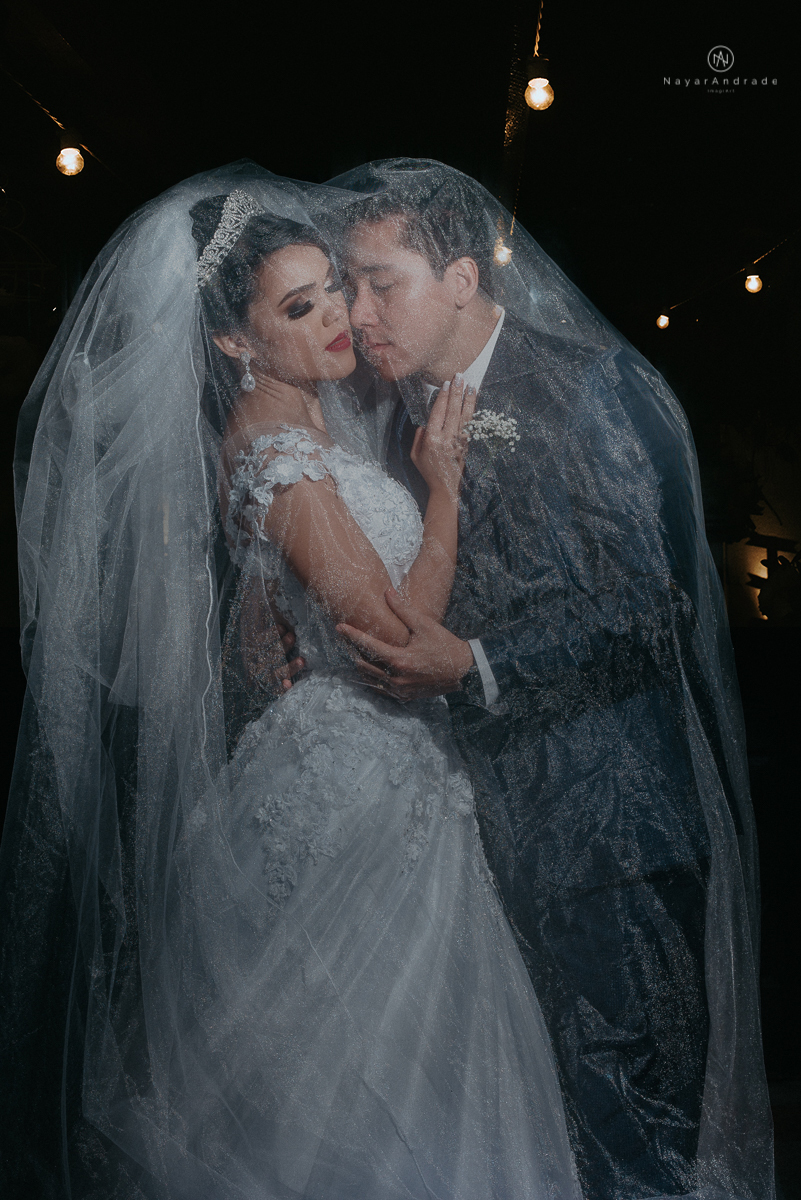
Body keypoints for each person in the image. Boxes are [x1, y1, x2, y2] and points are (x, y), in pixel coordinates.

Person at [0, 163, 581, 1200]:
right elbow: (400, 637)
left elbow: (292, 611)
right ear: (233, 340)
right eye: (301, 306)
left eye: (340, 293)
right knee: (350, 1090)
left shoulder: (313, 428)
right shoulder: (273, 448)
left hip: (372, 777)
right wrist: (441, 491)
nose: (340, 320)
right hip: (353, 789)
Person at [328, 158, 775, 1200]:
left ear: (462, 280)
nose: (357, 312)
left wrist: (474, 663)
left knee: (636, 1140)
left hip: (609, 833)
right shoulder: (397, 419)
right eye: (347, 285)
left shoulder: (588, 386)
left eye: (378, 282)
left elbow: (650, 604)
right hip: (478, 841)